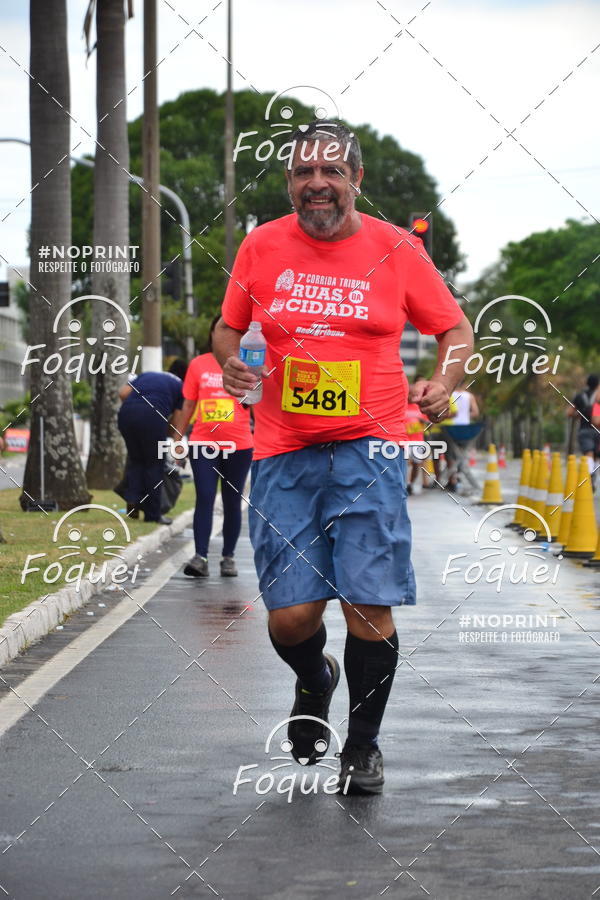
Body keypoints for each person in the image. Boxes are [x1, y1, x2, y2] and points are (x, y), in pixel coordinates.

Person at [213, 121, 473, 794]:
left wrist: (443, 382)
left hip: (372, 446)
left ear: (355, 178)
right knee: (291, 617)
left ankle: (362, 745)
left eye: (331, 171)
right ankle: (313, 677)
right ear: (291, 181)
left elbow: (454, 328)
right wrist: (228, 361)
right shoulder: (262, 244)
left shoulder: (395, 249)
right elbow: (228, 325)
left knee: (367, 603)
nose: (317, 183)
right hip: (284, 450)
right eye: (304, 172)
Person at [173, 316, 253, 578]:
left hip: (239, 444)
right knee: (205, 497)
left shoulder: (249, 363)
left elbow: (260, 404)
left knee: (232, 502)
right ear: (214, 335)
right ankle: (201, 557)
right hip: (203, 443)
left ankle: (228, 558)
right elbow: (187, 405)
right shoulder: (198, 364)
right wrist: (177, 439)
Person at [117, 359, 187, 524]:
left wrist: (135, 410)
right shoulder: (181, 387)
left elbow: (123, 393)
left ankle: (132, 501)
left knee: (136, 460)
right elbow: (177, 422)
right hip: (152, 416)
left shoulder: (146, 375)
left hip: (126, 415)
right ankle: (153, 515)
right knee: (154, 464)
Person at [569, 374, 599, 483]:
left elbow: (569, 413)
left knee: (588, 453)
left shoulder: (580, 396)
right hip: (597, 429)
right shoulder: (598, 397)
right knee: (596, 454)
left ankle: (590, 475)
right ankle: (594, 476)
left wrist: (579, 414)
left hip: (585, 430)